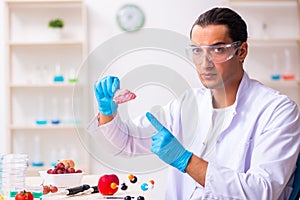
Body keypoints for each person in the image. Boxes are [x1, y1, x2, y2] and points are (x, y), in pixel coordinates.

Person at [88, 7, 300, 199]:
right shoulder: (187, 104)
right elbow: (128, 143)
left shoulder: (277, 111)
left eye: (217, 50)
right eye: (197, 51)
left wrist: (186, 160)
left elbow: (261, 192)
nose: (205, 63)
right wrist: (108, 113)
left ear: (241, 51)